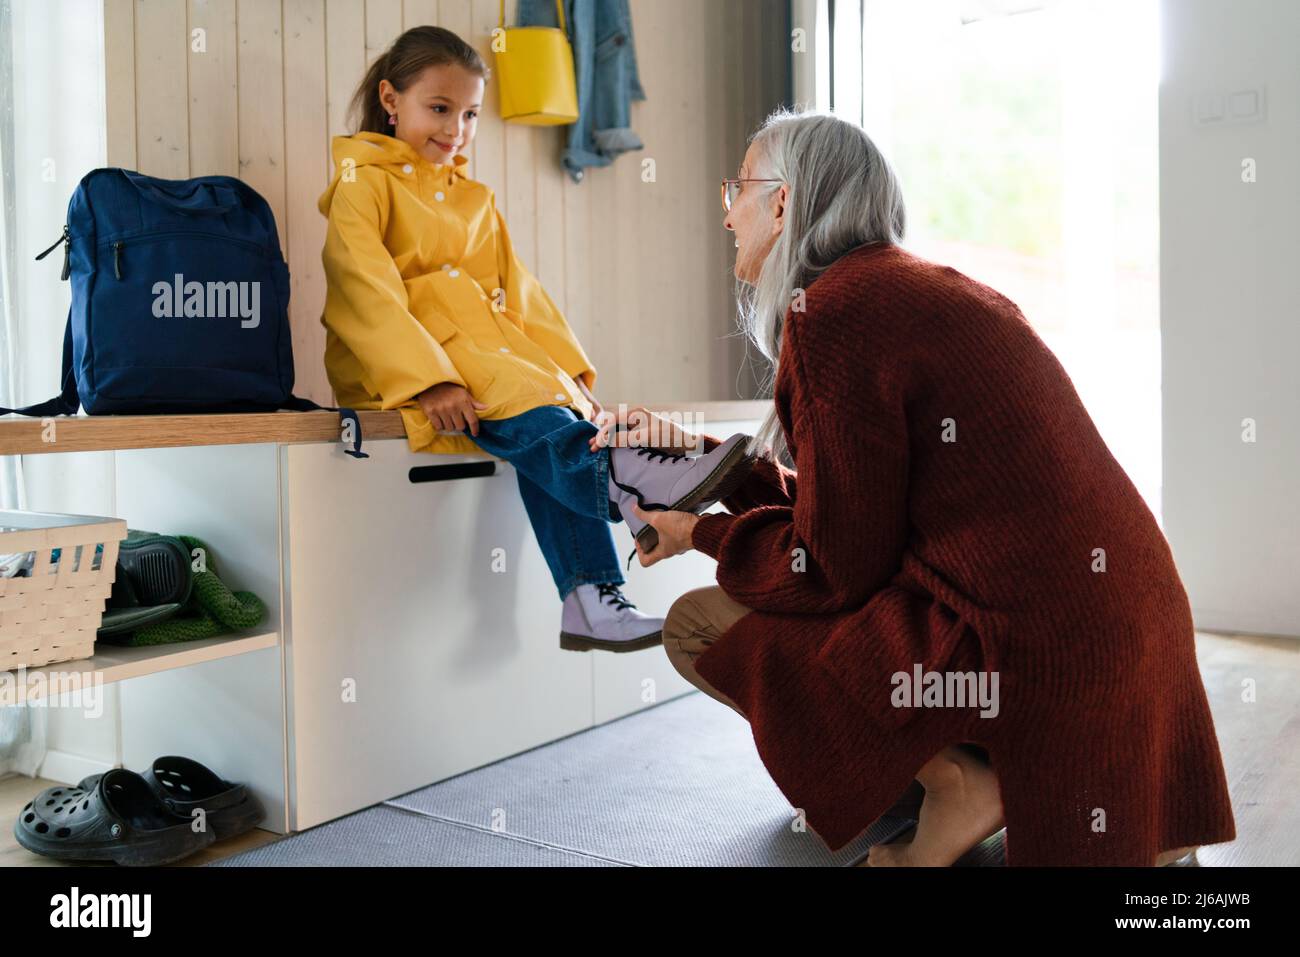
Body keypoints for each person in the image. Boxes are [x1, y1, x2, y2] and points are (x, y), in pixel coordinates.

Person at [626, 106, 1237, 866]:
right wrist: (701, 459)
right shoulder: (918, 290)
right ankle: (971, 788)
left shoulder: (835, 315)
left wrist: (701, 534)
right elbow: (854, 511)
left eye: (736, 189)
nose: (727, 215)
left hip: (1029, 653)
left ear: (782, 202)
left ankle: (960, 784)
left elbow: (834, 565)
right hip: (1124, 656)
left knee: (694, 625)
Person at [317, 26, 754, 653]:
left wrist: (571, 371)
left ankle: (588, 597)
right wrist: (428, 376)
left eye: (468, 114)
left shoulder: (475, 199)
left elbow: (520, 292)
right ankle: (631, 484)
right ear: (391, 99)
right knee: (532, 407)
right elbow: (363, 291)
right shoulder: (363, 186)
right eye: (439, 109)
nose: (456, 129)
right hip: (405, 366)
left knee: (552, 413)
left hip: (485, 363)